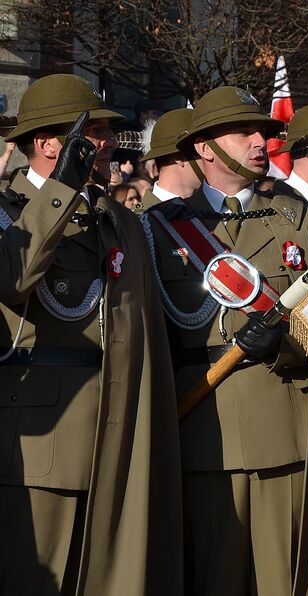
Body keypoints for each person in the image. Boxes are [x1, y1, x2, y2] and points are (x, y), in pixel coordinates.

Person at [0, 73, 182, 595]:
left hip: (120, 424)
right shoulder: (11, 208)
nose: (107, 144)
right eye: (94, 131)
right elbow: (13, 279)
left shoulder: (115, 218)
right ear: (48, 143)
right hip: (43, 439)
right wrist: (60, 189)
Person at [147, 85, 308, 596]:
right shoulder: (159, 232)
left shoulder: (301, 222)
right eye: (245, 131)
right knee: (212, 577)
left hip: (285, 424)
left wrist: (285, 342)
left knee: (283, 579)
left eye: (264, 133)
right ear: (203, 148)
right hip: (203, 430)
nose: (259, 141)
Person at [136, 107, 202, 212]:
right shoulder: (135, 223)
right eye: (201, 149)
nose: (210, 155)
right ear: (179, 158)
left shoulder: (211, 212)